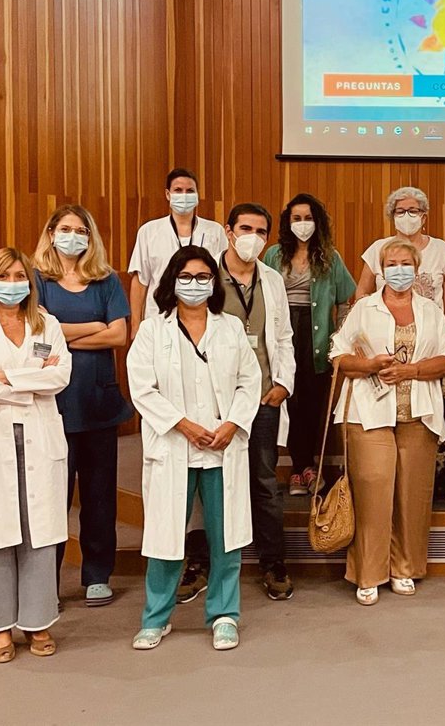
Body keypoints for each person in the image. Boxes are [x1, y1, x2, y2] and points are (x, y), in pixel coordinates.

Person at [127, 247, 261, 652]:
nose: (194, 284)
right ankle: (156, 618)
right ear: (172, 281)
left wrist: (232, 424)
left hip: (222, 445)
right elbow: (142, 388)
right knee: (166, 536)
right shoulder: (152, 330)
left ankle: (224, 615)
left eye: (203, 277)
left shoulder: (230, 328)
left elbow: (249, 381)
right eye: (186, 276)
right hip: (174, 444)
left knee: (226, 537)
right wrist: (183, 425)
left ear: (213, 283)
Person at [0, 248, 72, 662]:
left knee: (39, 533)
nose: (13, 283)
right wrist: (29, 382)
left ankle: (38, 621)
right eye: (3, 276)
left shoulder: (47, 324)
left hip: (38, 436)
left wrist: (2, 377)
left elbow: (60, 376)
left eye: (20, 275)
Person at [330, 238, 445, 606]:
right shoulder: (364, 308)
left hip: (418, 413)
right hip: (368, 413)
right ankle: (368, 573)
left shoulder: (430, 310)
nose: (399, 270)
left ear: (417, 269)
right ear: (381, 270)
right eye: (391, 264)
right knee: (373, 492)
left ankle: (404, 568)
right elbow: (338, 354)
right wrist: (369, 365)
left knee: (411, 496)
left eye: (406, 264)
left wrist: (411, 371)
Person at [32, 205, 132, 608]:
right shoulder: (36, 280)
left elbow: (119, 336)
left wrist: (60, 333)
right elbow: (37, 344)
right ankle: (46, 583)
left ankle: (97, 576)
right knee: (52, 498)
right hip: (52, 407)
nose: (73, 236)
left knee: (99, 496)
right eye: (65, 228)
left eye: (81, 230)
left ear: (90, 238)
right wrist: (94, 326)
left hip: (99, 405)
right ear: (51, 233)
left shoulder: (106, 280)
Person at [216, 204, 295, 601]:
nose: (253, 238)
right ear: (228, 231)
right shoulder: (206, 276)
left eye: (261, 232)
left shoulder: (272, 279)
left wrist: (283, 383)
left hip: (263, 396)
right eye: (245, 228)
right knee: (211, 482)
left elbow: (283, 337)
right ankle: (202, 561)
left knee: (264, 481)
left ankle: (273, 562)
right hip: (216, 400)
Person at [264, 193, 357, 498]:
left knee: (313, 403)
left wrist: (339, 337)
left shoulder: (330, 257)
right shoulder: (274, 255)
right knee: (288, 400)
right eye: (296, 218)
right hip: (283, 332)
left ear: (317, 222)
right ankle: (299, 468)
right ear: (287, 222)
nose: (302, 224)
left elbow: (345, 300)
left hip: (316, 337)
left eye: (308, 218)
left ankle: (309, 466)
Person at [127, 167, 227, 339]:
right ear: (168, 194)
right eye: (178, 190)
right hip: (159, 317)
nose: (184, 195)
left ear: (197, 195)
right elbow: (140, 281)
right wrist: (135, 326)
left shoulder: (215, 231)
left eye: (190, 191)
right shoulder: (149, 231)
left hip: (204, 319)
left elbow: (222, 278)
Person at [355, 186, 445, 331]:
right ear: (393, 217)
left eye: (413, 211)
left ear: (423, 217)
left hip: (430, 331)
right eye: (400, 211)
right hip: (384, 331)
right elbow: (362, 291)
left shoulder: (440, 248)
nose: (406, 215)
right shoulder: (378, 248)